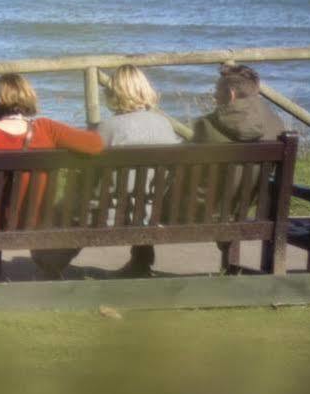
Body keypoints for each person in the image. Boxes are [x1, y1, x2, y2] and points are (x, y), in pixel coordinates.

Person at [0, 73, 103, 279]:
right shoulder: (47, 128)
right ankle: (49, 270)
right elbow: (95, 145)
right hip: (37, 217)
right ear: (29, 97)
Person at [189, 62, 289, 271]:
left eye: (217, 90)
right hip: (252, 207)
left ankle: (140, 260)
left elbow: (188, 171)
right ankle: (233, 265)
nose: (215, 96)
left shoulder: (206, 125)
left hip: (208, 210)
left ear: (231, 94)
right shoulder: (276, 124)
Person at [92, 64, 189, 277]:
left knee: (72, 206)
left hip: (112, 213)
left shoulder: (108, 128)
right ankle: (141, 260)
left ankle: (51, 262)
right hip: (153, 210)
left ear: (113, 93)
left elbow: (92, 174)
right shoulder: (164, 125)